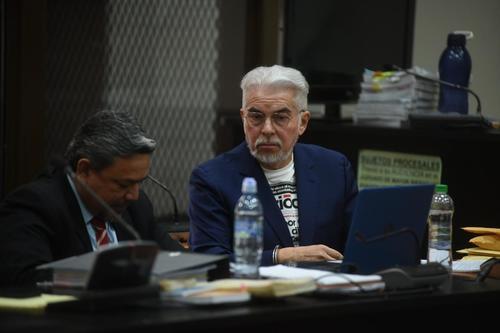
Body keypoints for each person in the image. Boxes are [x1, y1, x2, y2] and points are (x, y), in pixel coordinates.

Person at [188, 65, 358, 266]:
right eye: (256, 117)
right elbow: (211, 261)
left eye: (280, 117)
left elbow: (360, 242)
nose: (267, 129)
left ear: (302, 122)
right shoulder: (212, 179)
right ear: (243, 119)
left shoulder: (334, 168)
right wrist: (282, 256)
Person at [0, 110, 184, 286]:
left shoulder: (136, 207)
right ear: (84, 170)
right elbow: (27, 282)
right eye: (123, 185)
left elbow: (181, 264)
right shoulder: (34, 206)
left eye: (140, 182)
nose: (134, 195)